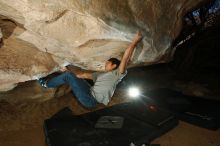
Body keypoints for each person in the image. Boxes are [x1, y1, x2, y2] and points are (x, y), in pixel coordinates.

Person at [38, 31, 143, 108]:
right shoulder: (99, 75)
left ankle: (46, 84)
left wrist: (135, 41)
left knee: (68, 76)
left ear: (114, 66)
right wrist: (67, 71)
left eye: (108, 63)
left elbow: (125, 58)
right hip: (89, 91)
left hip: (90, 100)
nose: (105, 64)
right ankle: (57, 78)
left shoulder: (118, 73)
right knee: (70, 76)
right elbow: (81, 76)